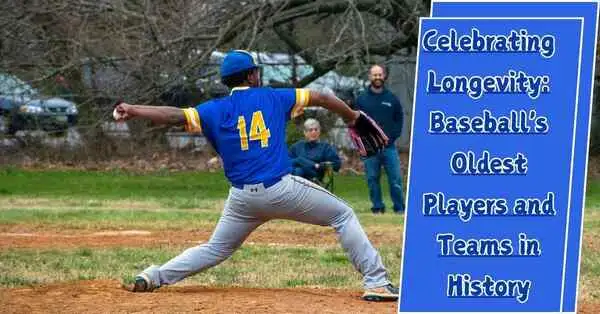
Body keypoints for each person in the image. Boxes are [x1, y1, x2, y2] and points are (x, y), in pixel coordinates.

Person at [116, 50, 398, 301]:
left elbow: (174, 115)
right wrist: (352, 117)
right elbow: (323, 97)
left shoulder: (214, 109)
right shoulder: (273, 97)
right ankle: (376, 283)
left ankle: (154, 276)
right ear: (251, 76)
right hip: (281, 189)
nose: (258, 76)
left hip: (242, 199)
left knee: (215, 249)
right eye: (256, 72)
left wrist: (134, 109)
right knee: (343, 215)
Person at [354, 65, 405, 215]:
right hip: (370, 148)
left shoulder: (392, 98)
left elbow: (399, 119)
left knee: (395, 179)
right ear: (370, 77)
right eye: (374, 75)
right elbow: (356, 122)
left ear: (384, 76)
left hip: (389, 147)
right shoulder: (361, 99)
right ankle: (377, 208)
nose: (377, 77)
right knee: (372, 179)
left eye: (380, 74)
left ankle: (399, 208)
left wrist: (392, 137)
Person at [289, 118, 341, 183]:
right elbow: (287, 162)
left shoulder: (325, 147)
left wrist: (322, 166)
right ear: (305, 132)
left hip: (315, 177)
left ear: (319, 131)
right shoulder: (297, 146)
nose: (314, 132)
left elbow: (337, 164)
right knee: (298, 170)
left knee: (299, 170)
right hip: (297, 175)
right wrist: (304, 162)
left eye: (316, 129)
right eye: (310, 130)